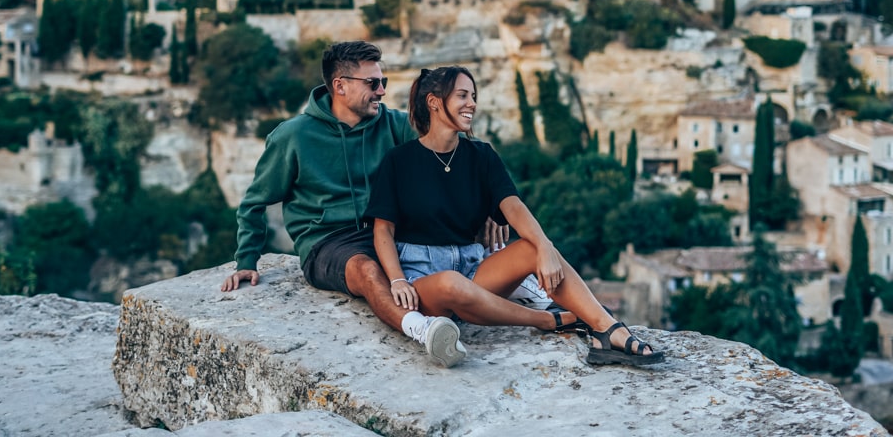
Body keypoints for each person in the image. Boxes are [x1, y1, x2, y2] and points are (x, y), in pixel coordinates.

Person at [365, 66, 664, 366]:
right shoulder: (399, 161)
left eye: (473, 96)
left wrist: (545, 248)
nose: (472, 103)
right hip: (426, 282)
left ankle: (606, 329)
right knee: (451, 283)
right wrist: (397, 280)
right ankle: (544, 320)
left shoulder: (481, 156)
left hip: (474, 270)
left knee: (531, 248)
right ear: (433, 102)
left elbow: (514, 207)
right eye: (462, 95)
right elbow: (383, 232)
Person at [222, 41, 483, 368]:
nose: (382, 92)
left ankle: (523, 297)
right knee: (366, 269)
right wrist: (246, 259)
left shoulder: (395, 125)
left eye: (383, 82)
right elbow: (255, 201)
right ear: (340, 86)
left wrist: (490, 211)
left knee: (457, 245)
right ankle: (423, 330)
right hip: (329, 242)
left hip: (388, 231)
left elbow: (456, 157)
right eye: (372, 84)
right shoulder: (293, 137)